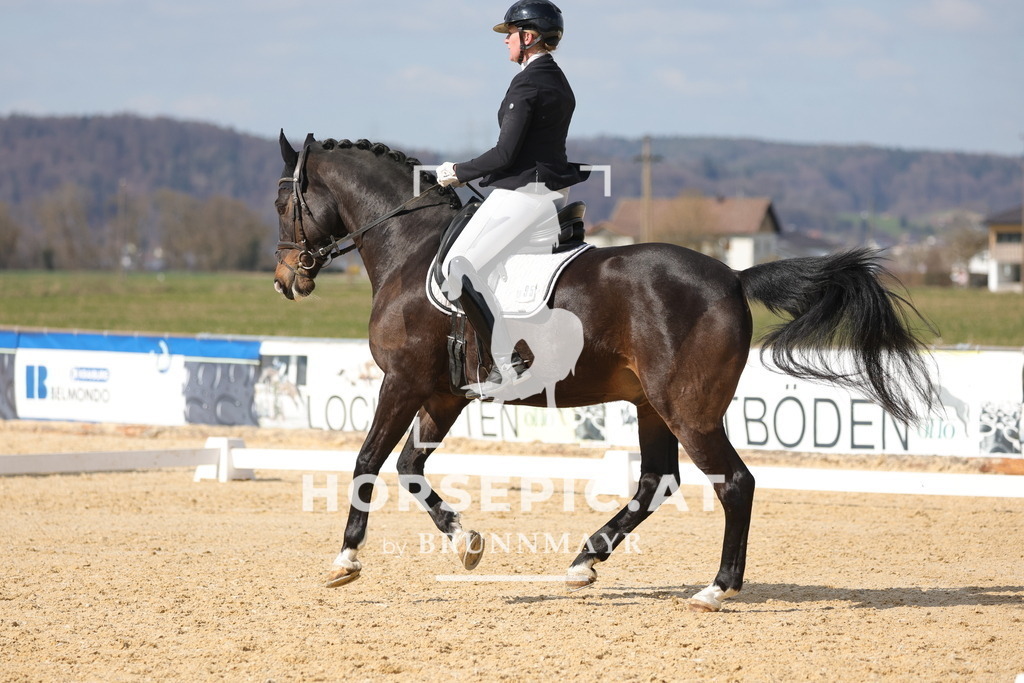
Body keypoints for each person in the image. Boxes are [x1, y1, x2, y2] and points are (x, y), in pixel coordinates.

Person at [436, 0, 586, 398]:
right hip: (550, 191)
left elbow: (504, 155)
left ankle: (507, 364)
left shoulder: (528, 83)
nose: (505, 43)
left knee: (456, 266)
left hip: (525, 193)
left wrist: (456, 172)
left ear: (529, 37)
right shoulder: (558, 79)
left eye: (510, 36)